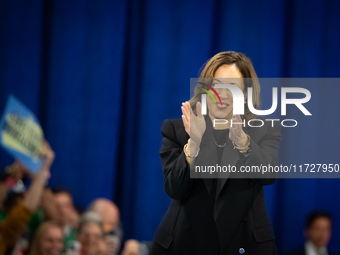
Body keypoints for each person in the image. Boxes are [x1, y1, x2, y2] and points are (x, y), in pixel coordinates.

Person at [149, 51, 281, 255]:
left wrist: (243, 142)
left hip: (244, 243)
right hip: (185, 244)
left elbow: (267, 174)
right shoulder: (178, 129)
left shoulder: (264, 129)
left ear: (244, 94)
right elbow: (175, 189)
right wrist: (194, 142)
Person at [0, 141, 55, 255]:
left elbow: (27, 209)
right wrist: (12, 178)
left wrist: (41, 172)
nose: (22, 197)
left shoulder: (5, 232)